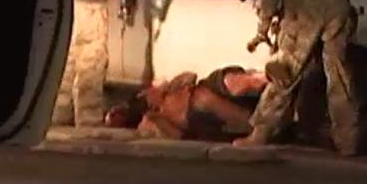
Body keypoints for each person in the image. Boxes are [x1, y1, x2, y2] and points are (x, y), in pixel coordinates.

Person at [233, 0, 359, 155]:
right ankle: (348, 139)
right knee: (339, 76)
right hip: (338, 8)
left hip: (304, 13)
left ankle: (261, 132)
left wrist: (263, 27)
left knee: (284, 71)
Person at [105, 67, 268, 141]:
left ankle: (265, 80)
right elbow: (180, 137)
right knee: (205, 98)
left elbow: (190, 75)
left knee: (227, 80)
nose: (152, 88)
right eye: (148, 91)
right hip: (199, 113)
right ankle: (260, 123)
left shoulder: (171, 88)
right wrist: (158, 120)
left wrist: (168, 87)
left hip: (207, 87)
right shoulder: (149, 122)